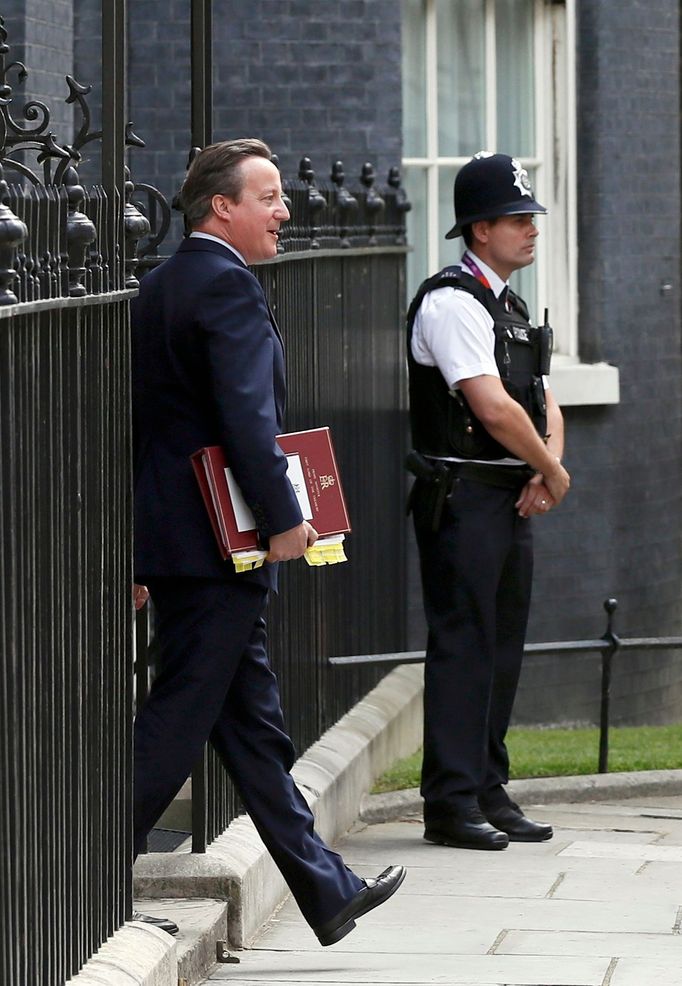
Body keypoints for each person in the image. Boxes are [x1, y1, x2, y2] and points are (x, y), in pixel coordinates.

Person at [130, 138, 405, 941]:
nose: (285, 212)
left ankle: (327, 890)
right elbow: (248, 421)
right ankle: (75, 881)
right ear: (224, 206)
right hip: (220, 547)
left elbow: (146, 429)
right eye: (270, 197)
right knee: (178, 719)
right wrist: (287, 519)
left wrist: (138, 545)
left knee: (252, 728)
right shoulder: (227, 288)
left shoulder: (161, 284)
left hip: (177, 539)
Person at [406, 152, 571, 851]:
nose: (530, 229)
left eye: (531, 217)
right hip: (463, 493)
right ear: (478, 230)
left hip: (507, 492)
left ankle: (487, 787)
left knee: (502, 647)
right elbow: (492, 406)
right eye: (515, 219)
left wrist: (546, 465)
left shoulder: (508, 303)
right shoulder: (451, 302)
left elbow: (540, 401)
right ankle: (449, 800)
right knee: (464, 646)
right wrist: (548, 472)